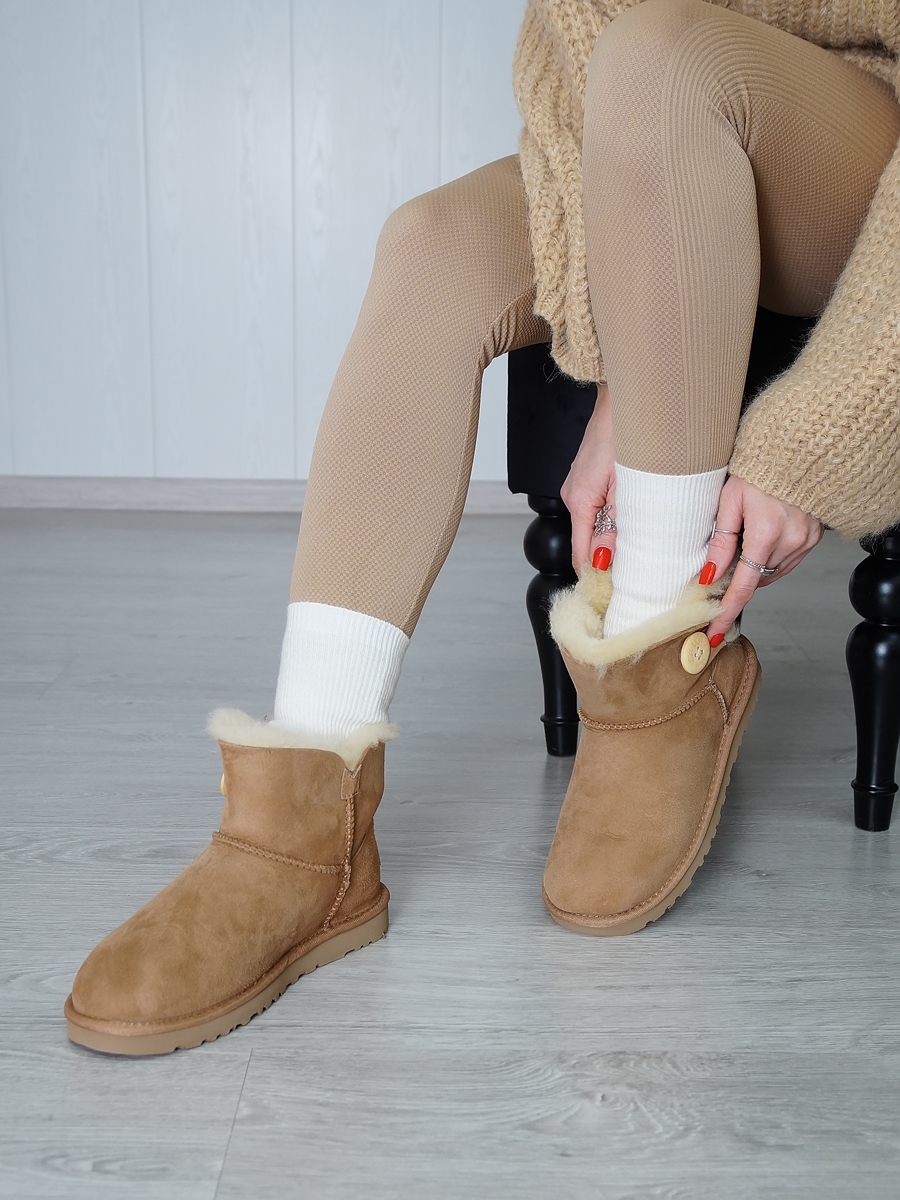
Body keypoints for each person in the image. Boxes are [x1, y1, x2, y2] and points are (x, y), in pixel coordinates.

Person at [65, 0, 900, 1054]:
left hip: (861, 152)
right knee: (434, 244)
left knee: (665, 54)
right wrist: (620, 367)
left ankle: (658, 652)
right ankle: (304, 830)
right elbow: (583, 45)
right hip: (649, 132)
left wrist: (822, 436)